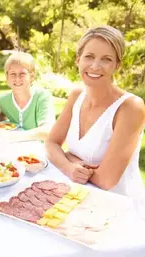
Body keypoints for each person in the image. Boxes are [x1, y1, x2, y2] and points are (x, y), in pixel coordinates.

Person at [45, 26, 145, 196]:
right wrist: (69, 167)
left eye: (106, 59)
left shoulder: (130, 107)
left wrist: (68, 156)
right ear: (78, 60)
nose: (95, 66)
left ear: (117, 65)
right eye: (89, 57)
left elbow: (106, 180)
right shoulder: (77, 96)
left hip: (119, 206)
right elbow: (51, 144)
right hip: (79, 197)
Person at [0, 51, 55, 140]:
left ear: (32, 76)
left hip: (40, 149)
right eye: (12, 74)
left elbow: (47, 131)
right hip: (14, 149)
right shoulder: (3, 101)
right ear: (7, 77)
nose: (17, 78)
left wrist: (13, 136)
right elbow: (2, 114)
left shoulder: (42, 97)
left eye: (22, 74)